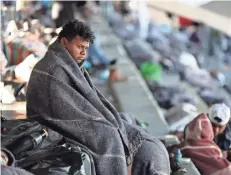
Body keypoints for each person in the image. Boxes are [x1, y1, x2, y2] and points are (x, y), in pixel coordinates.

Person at [26, 20, 170, 175]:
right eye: (79, 47)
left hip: (72, 117)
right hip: (52, 122)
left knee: (138, 136)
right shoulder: (53, 69)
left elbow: (88, 100)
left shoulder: (70, 65)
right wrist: (100, 121)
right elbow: (61, 110)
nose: (83, 53)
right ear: (63, 42)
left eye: (86, 49)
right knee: (109, 136)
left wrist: (103, 118)